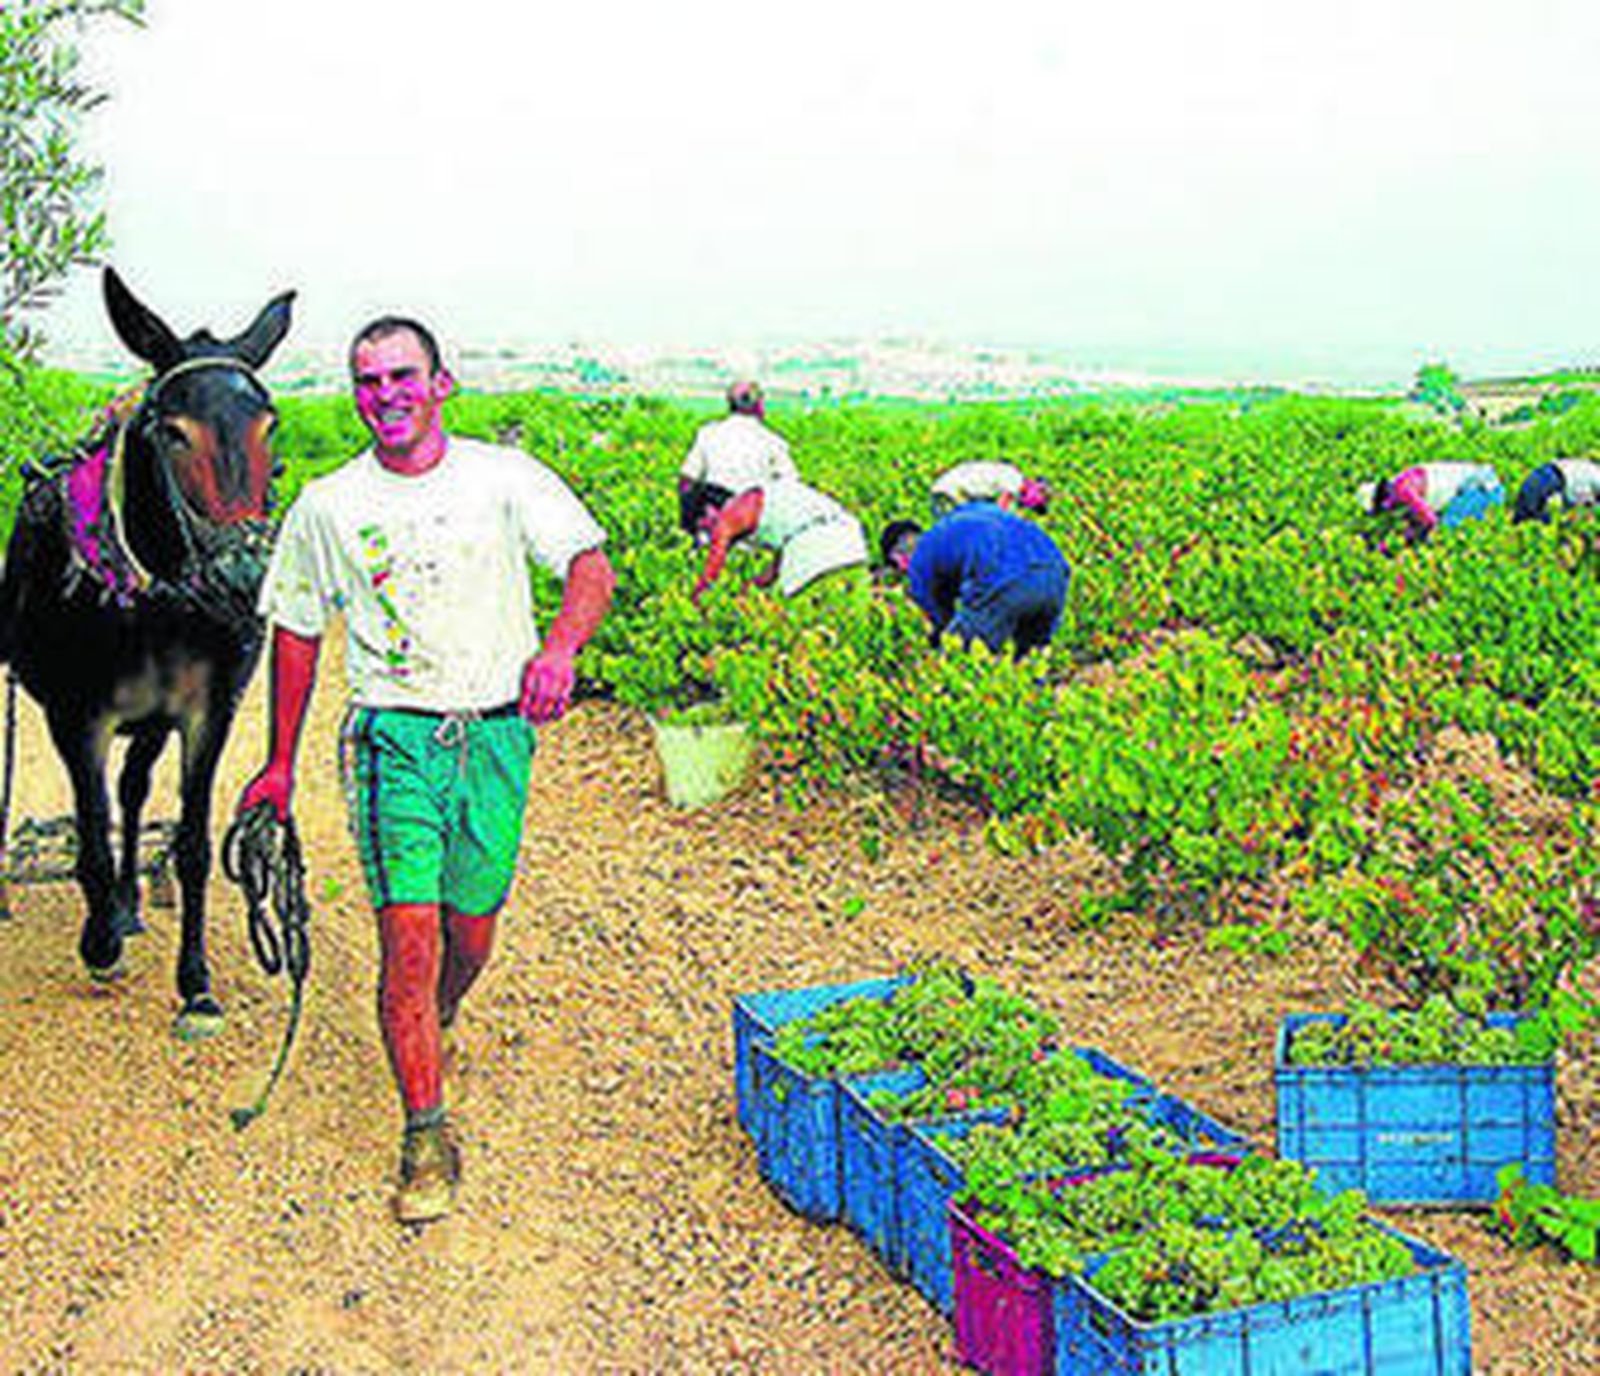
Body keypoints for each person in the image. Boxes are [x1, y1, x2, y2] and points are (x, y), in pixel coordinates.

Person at [236, 316, 615, 1225]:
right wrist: (277, 765)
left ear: (441, 382)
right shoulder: (329, 505)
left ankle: (432, 1018)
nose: (387, 395)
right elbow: (295, 629)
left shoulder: (503, 477)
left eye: (403, 375)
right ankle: (425, 1130)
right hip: (392, 740)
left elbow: (589, 565)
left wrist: (560, 650)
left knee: (469, 935)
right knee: (408, 936)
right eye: (368, 381)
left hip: (494, 734)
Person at [880, 502, 1069, 658]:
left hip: (1008, 580)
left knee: (960, 657)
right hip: (1055, 571)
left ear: (899, 556)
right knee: (1030, 660)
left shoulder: (920, 558)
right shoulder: (961, 517)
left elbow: (936, 618)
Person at [689, 475, 867, 602]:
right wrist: (750, 588)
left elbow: (714, 565)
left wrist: (697, 598)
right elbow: (777, 566)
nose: (708, 531)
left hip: (818, 552)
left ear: (709, 508)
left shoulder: (728, 514)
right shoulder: (762, 502)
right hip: (851, 544)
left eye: (702, 525)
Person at [678, 379, 797, 541]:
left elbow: (687, 480)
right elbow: (791, 487)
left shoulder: (707, 434)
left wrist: (690, 524)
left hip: (714, 526)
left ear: (730, 404)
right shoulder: (773, 442)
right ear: (759, 406)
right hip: (754, 529)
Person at [1357, 461, 1504, 542]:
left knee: (1447, 532)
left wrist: (1404, 539)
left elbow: (1430, 520)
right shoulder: (1402, 481)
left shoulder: (1403, 490)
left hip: (1482, 488)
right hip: (1485, 482)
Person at [930, 459, 1052, 519]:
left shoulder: (1010, 477)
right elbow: (1000, 511)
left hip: (945, 488)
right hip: (951, 489)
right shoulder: (1014, 479)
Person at [1512, 458, 1600, 523]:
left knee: (1528, 511)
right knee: (1528, 510)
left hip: (1553, 473)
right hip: (1555, 475)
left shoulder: (1592, 473)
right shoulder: (1596, 476)